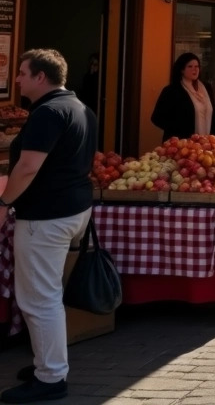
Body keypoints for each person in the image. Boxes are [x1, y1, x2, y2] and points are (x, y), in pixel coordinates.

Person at [2, 50, 95, 404]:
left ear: (41, 77)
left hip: (46, 216)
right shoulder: (80, 107)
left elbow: (27, 167)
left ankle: (51, 377)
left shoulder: (47, 112)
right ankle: (48, 363)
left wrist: (3, 202)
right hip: (73, 211)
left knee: (39, 299)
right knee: (47, 294)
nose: (18, 79)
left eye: (23, 73)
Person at [150, 52, 215, 142]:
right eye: (190, 66)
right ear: (182, 70)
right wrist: (177, 130)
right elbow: (157, 118)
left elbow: (213, 115)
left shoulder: (207, 88)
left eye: (197, 66)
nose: (195, 70)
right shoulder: (172, 90)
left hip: (206, 143)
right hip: (181, 144)